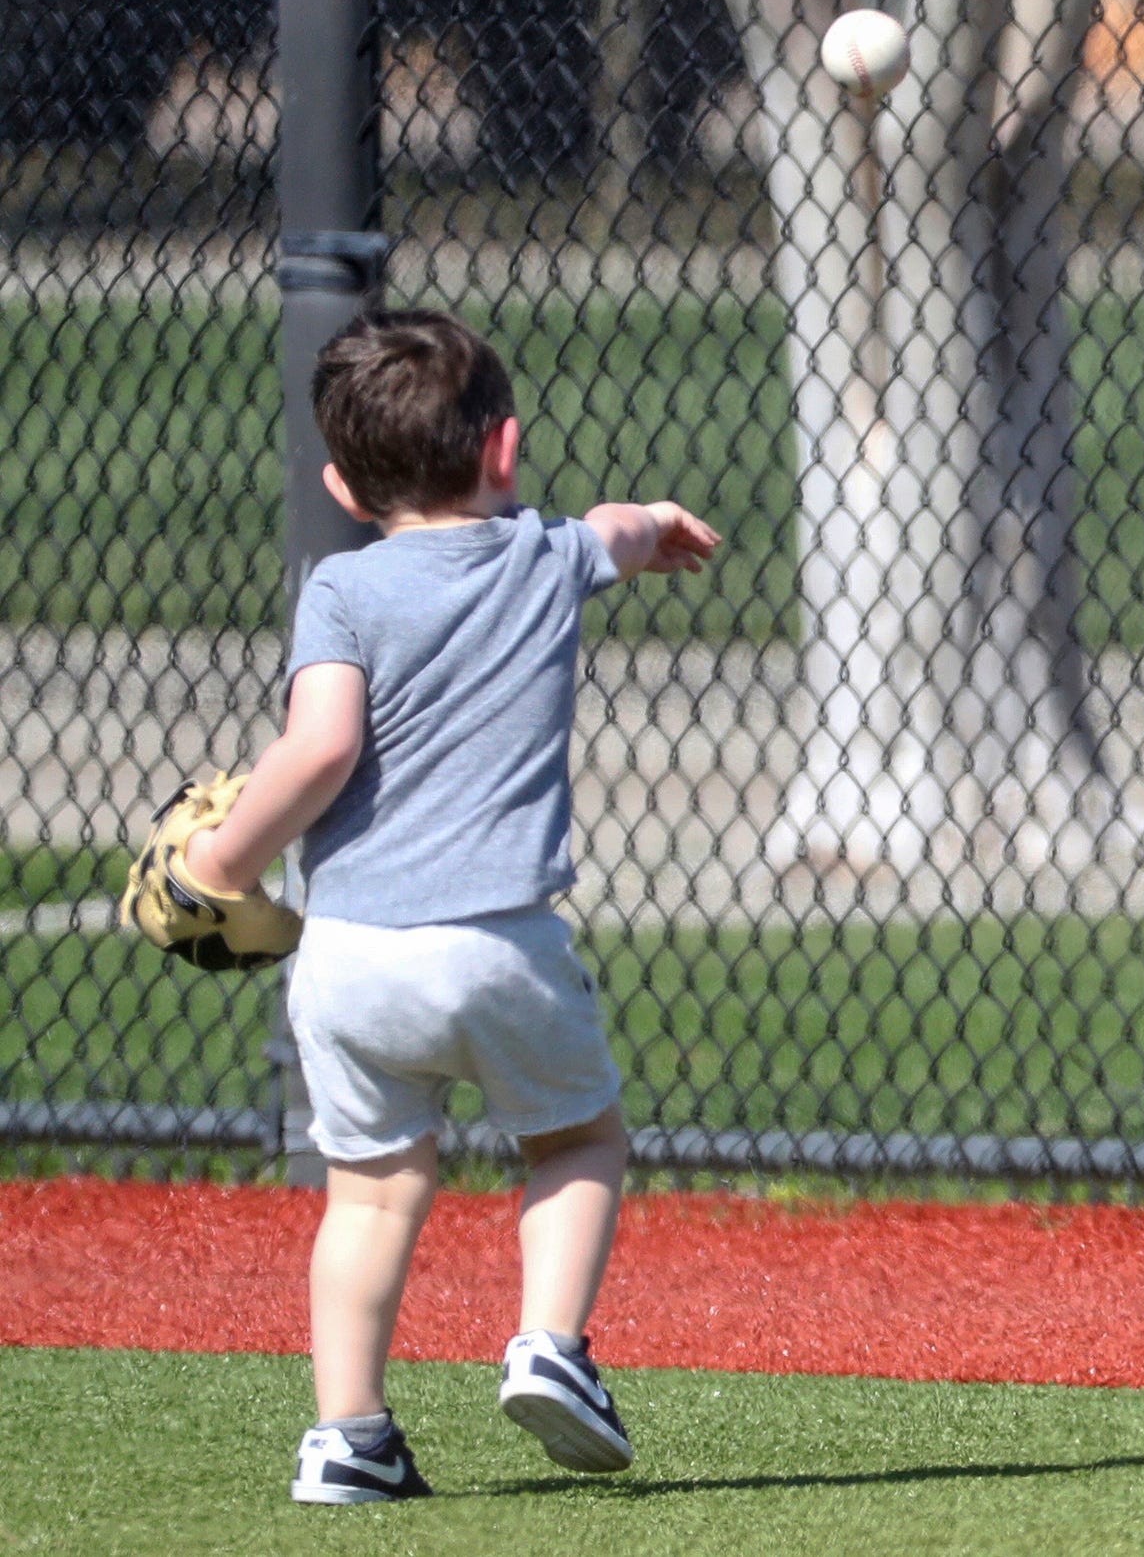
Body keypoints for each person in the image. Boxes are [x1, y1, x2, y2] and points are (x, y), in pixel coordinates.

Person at [178, 309, 722, 1501]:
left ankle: (350, 1437)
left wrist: (218, 863)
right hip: (502, 945)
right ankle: (548, 1347)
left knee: (372, 1193)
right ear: (506, 450)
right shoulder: (544, 552)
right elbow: (616, 532)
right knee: (576, 1138)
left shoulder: (342, 587)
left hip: (354, 957)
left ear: (339, 483)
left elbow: (318, 751)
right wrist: (658, 527)